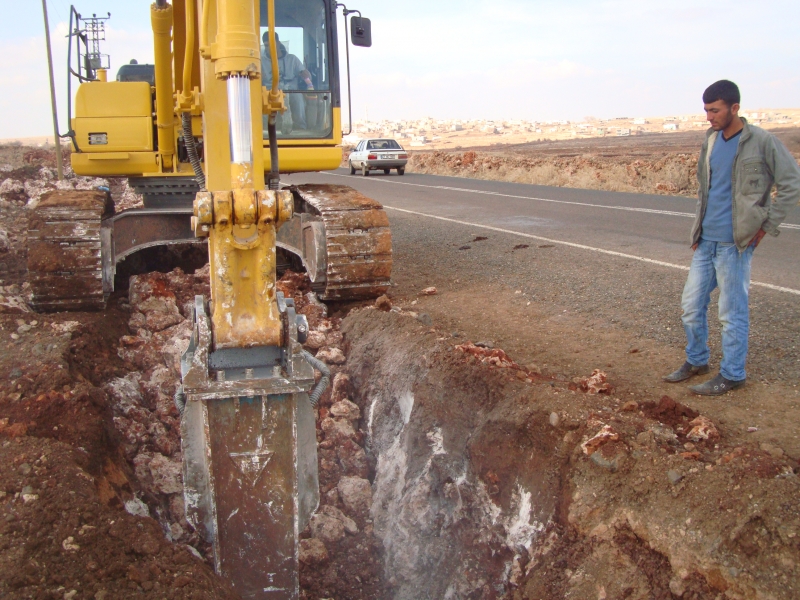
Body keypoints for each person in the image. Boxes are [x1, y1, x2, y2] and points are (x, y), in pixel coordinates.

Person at [663, 80, 800, 395]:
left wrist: (766, 225)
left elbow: (792, 183)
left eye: (714, 110)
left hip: (734, 245)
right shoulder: (710, 141)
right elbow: (705, 190)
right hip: (706, 242)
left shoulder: (762, 142)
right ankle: (697, 360)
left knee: (731, 312)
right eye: (706, 110)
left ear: (734, 108)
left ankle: (733, 374)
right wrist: (698, 230)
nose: (709, 117)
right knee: (690, 306)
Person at [261, 32, 313, 130]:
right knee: (262, 99)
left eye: (272, 44)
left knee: (298, 97)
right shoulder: (261, 62)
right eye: (267, 45)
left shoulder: (292, 59)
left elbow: (307, 76)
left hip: (292, 92)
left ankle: (300, 129)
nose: (269, 48)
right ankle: (265, 131)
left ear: (278, 43)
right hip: (270, 93)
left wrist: (305, 74)